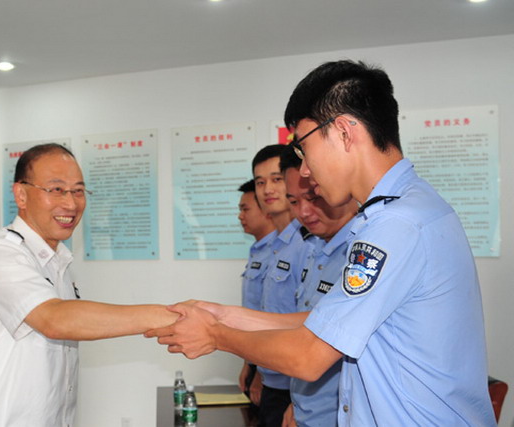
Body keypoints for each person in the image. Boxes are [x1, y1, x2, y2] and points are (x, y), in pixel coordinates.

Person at [147, 60, 495, 426]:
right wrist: (225, 315)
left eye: (304, 148)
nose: (305, 170)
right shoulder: (412, 207)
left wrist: (215, 335)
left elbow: (308, 357)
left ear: (344, 132)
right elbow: (325, 322)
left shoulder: (395, 224)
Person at [0, 143, 178, 427]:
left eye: (78, 191)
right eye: (56, 189)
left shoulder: (57, 260)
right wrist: (171, 316)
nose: (71, 204)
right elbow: (54, 319)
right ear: (21, 194)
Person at [279, 145, 357, 426]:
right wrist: (297, 403)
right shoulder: (316, 249)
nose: (304, 212)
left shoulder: (359, 254)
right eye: (293, 201)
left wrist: (218, 333)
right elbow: (304, 328)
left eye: (313, 198)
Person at [251, 145, 315, 427]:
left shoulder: (308, 242)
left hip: (296, 383)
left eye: (276, 179)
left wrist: (299, 397)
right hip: (273, 376)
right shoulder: (274, 244)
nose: (268, 189)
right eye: (260, 182)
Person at [237, 179, 276, 409]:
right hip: (256, 357)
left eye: (245, 209)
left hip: (269, 363)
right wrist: (248, 364)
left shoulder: (278, 251)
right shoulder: (257, 250)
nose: (240, 216)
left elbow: (272, 316)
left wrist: (262, 373)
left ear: (266, 210)